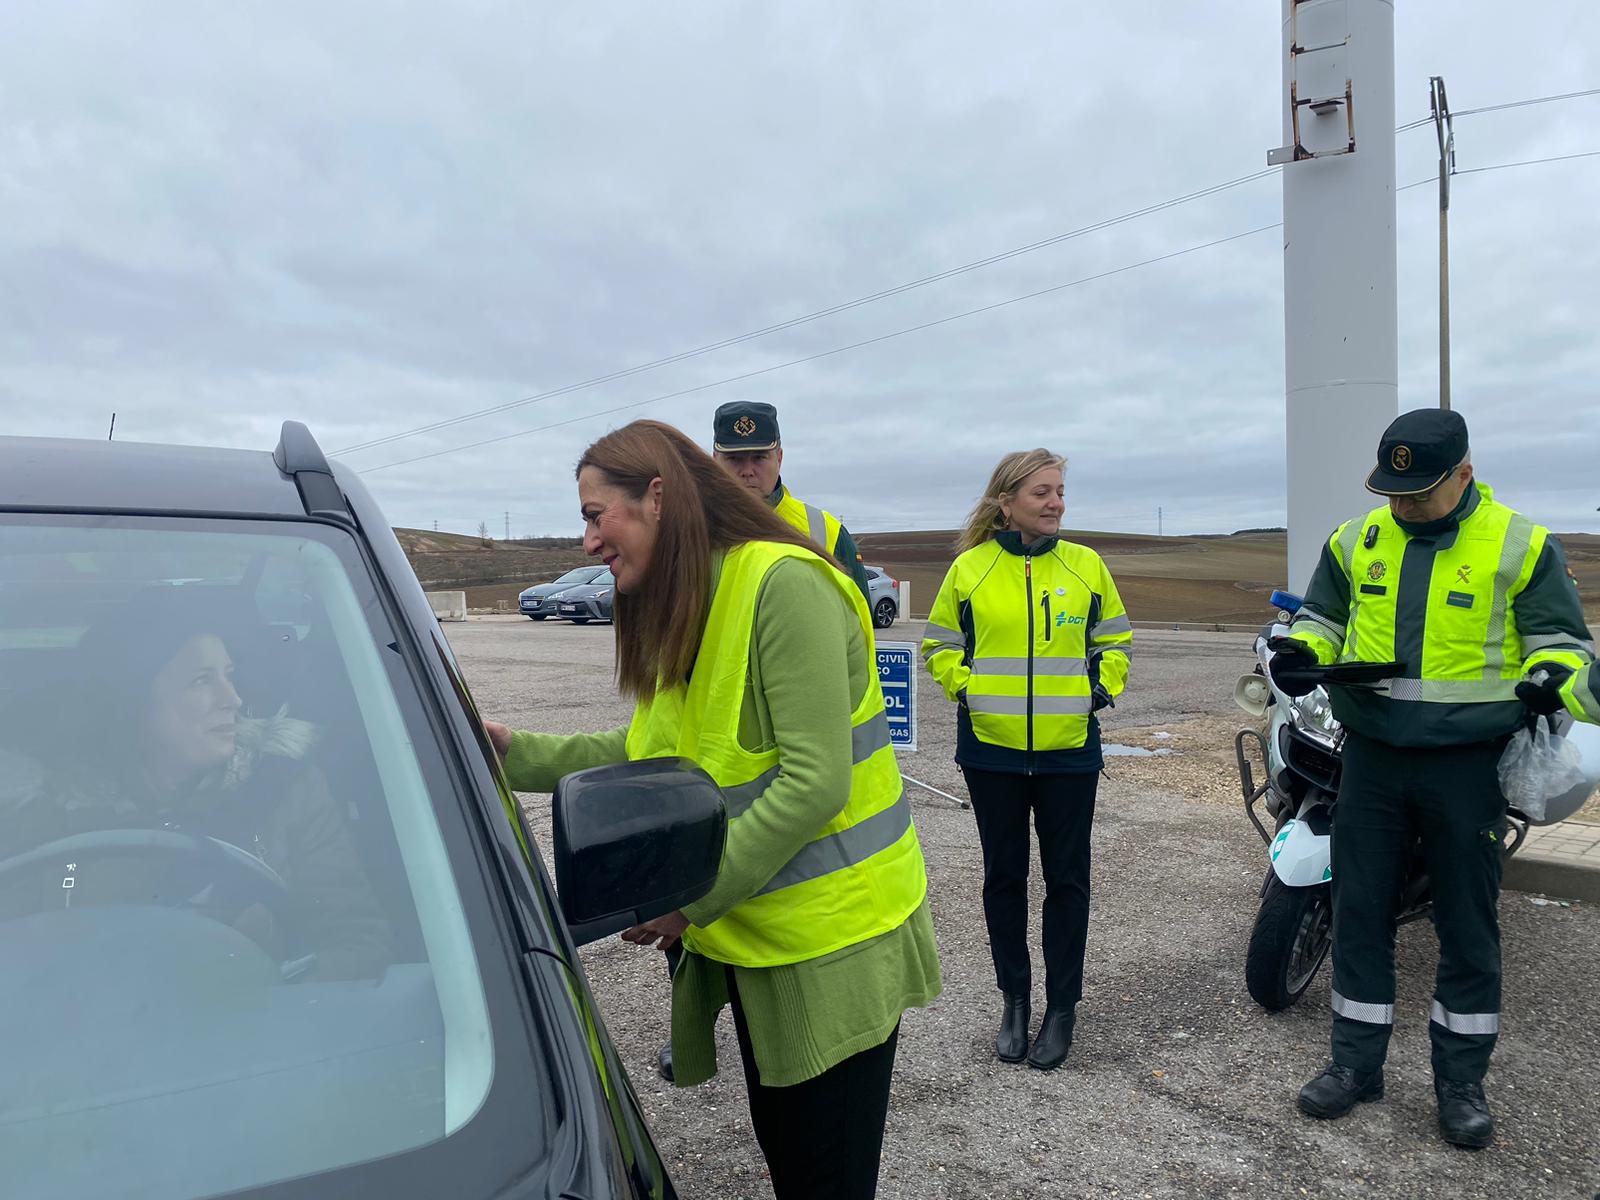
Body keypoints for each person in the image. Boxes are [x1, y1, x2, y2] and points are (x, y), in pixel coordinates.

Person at [484, 419, 940, 1200]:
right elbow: (645, 756)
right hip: (758, 941)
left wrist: (688, 904)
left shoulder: (783, 584)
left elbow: (815, 781)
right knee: (793, 1162)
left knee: (825, 1177)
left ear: (657, 497)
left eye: (597, 514)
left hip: (833, 942)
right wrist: (509, 751)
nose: (588, 541)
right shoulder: (689, 598)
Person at [1273, 408, 1595, 1148]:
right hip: (1373, 759)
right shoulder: (1357, 541)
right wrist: (1299, 648)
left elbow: (1566, 645)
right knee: (1358, 914)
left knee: (1466, 925)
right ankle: (1355, 1066)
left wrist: (1553, 676)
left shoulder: (1521, 544)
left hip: (1465, 767)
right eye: (1394, 490)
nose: (1403, 504)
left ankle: (1460, 1081)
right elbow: (1321, 617)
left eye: (1419, 491)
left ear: (1465, 475)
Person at [0, 588, 394, 981]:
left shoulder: (286, 789)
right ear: (133, 700)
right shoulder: (44, 808)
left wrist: (271, 977)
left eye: (230, 675)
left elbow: (359, 941)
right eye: (202, 681)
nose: (234, 699)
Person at [920, 449, 1132, 1071]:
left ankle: (1062, 1007)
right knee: (1004, 878)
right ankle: (1014, 999)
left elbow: (1115, 639)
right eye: (1042, 492)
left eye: (1060, 491)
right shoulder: (970, 570)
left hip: (1069, 753)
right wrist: (968, 689)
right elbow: (938, 645)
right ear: (1005, 501)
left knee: (1068, 881)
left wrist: (1099, 690)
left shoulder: (1087, 566)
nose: (1056, 503)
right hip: (992, 753)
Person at [711, 400, 873, 604]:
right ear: (715, 460)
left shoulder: (827, 532)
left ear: (779, 459)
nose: (747, 471)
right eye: (734, 459)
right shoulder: (690, 527)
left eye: (759, 458)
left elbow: (859, 622)